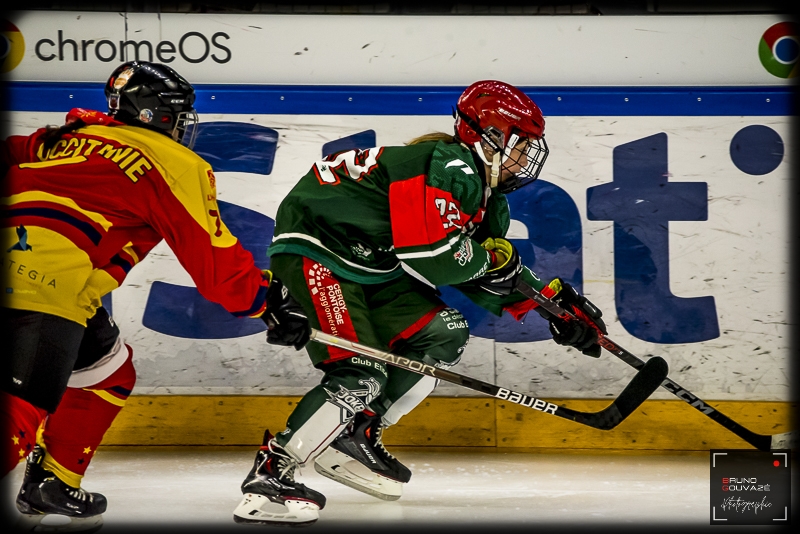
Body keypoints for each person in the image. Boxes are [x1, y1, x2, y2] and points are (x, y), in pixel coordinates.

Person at [232, 80, 607, 527]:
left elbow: (478, 269)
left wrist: (552, 306)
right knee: (361, 373)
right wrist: (494, 263)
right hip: (318, 252)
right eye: (520, 145)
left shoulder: (482, 194)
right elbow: (436, 256)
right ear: (489, 136)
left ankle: (355, 433)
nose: (526, 158)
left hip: (369, 264)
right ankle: (273, 471)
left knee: (443, 330)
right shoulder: (447, 164)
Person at [0, 61, 310, 530]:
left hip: (60, 284)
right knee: (20, 411)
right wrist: (266, 302)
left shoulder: (65, 137)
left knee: (107, 371)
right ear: (156, 115)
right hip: (40, 283)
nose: (185, 124)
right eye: (180, 114)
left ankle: (53, 482)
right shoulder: (173, 162)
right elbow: (216, 266)